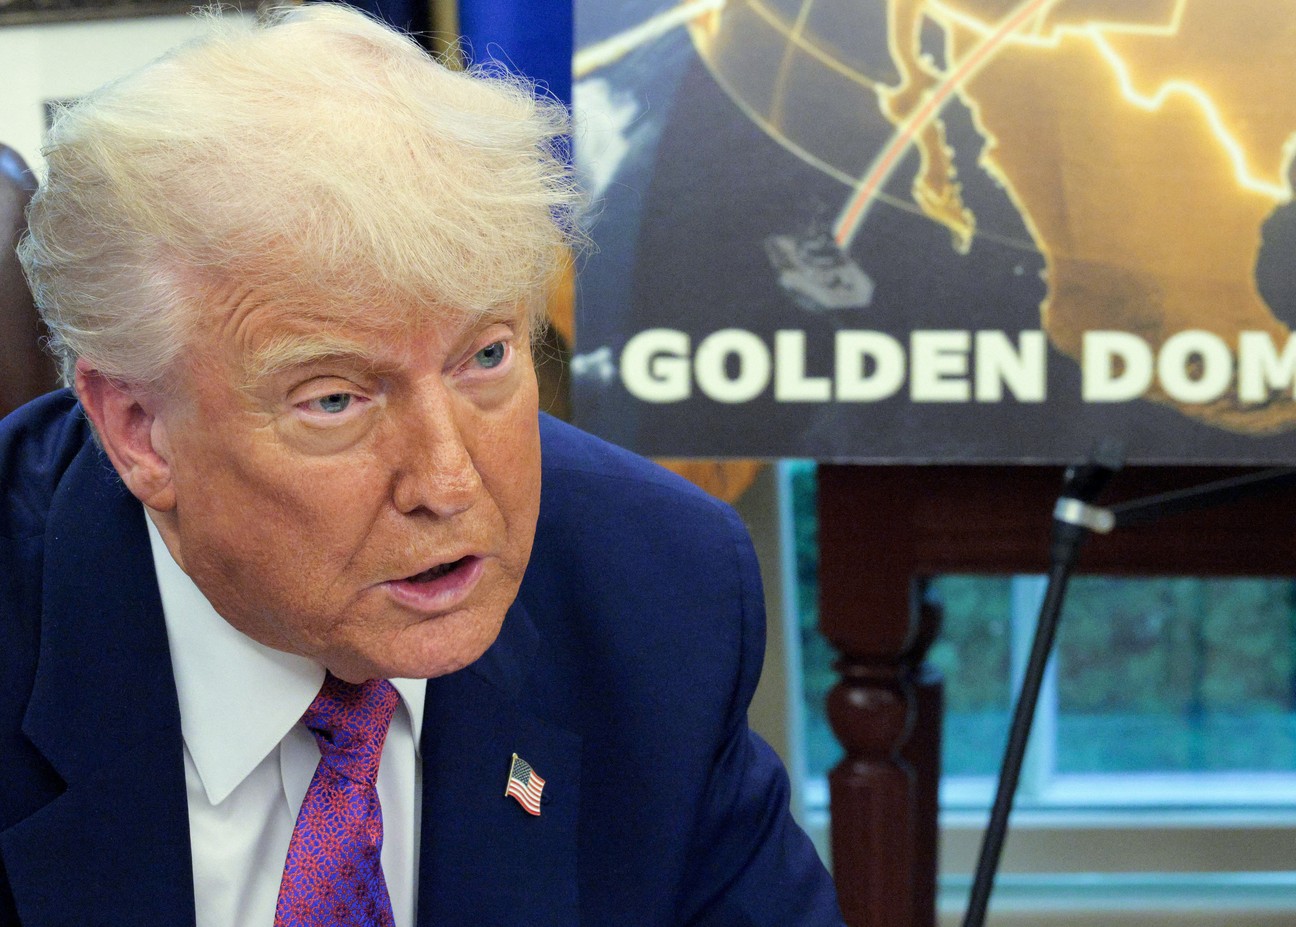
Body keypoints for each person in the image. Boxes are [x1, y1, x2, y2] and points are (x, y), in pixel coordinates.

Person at [0, 5, 842, 925]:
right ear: (139, 431)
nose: (449, 484)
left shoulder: (657, 592)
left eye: (486, 356)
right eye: (334, 400)